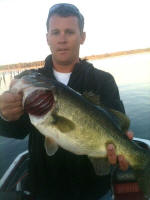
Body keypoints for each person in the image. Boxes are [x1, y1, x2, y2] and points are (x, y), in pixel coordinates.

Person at [0, 3, 133, 200]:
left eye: (69, 31)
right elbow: (17, 131)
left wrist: (122, 148)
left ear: (82, 37)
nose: (62, 39)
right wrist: (4, 114)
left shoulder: (103, 81)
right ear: (47, 38)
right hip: (43, 191)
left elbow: (118, 127)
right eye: (55, 32)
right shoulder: (31, 80)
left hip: (92, 192)